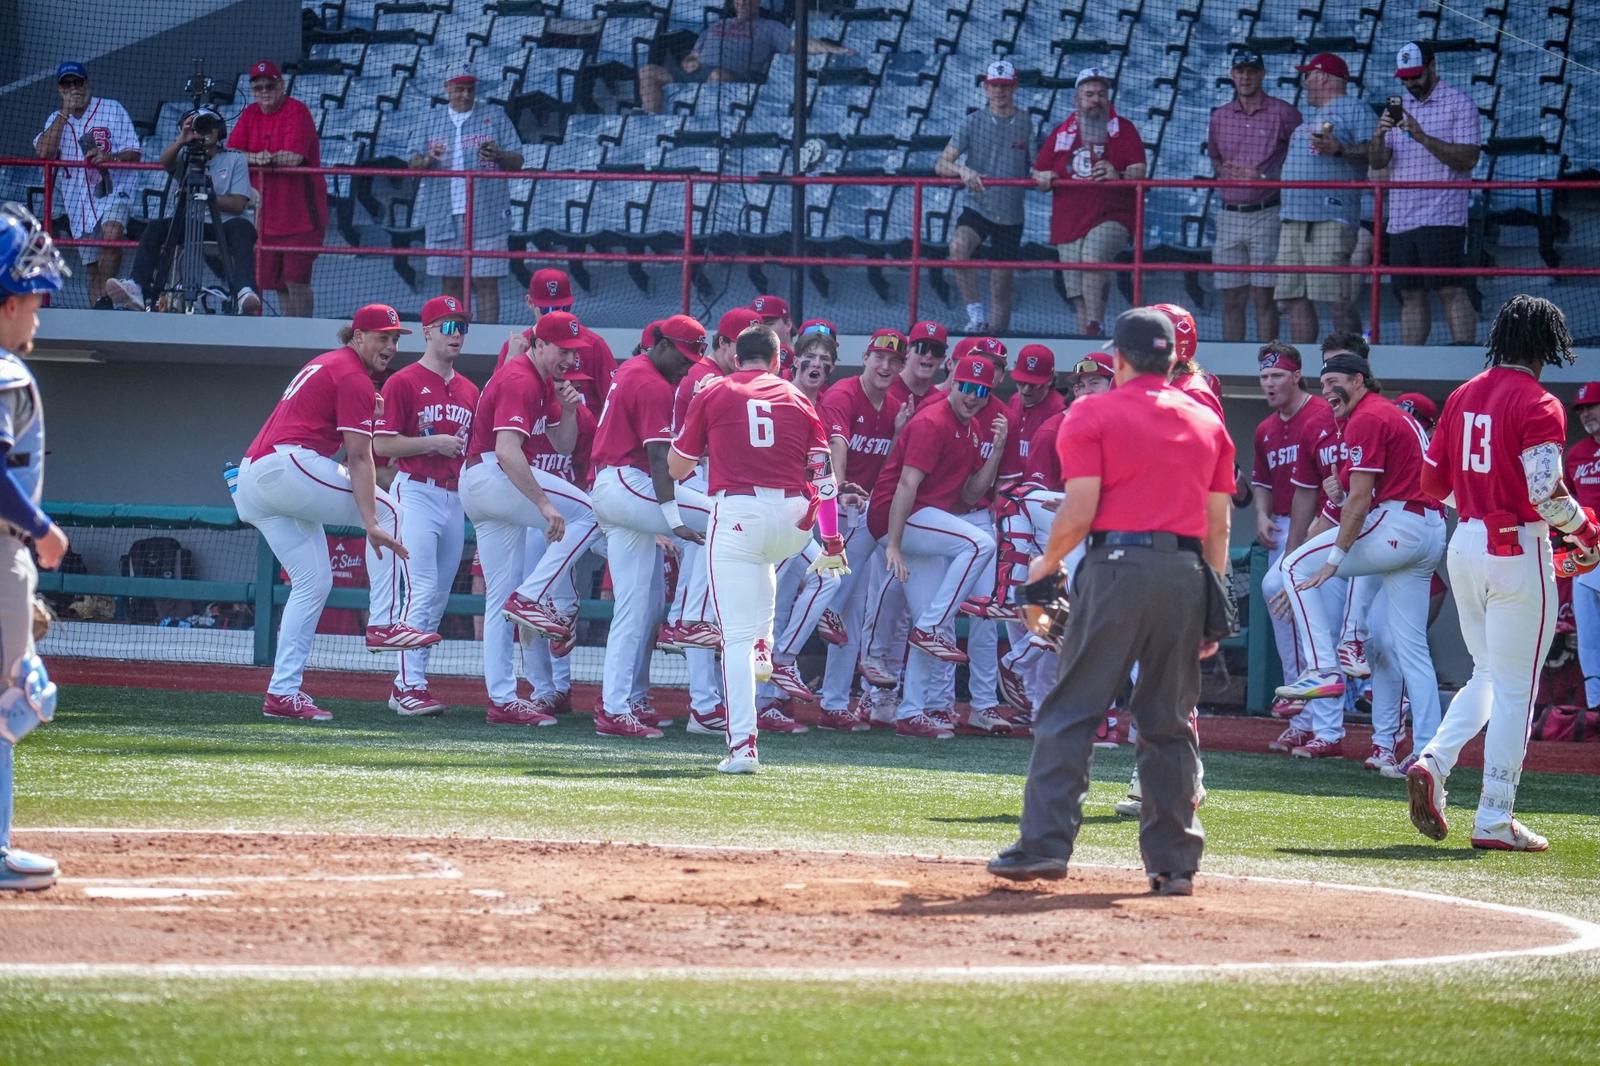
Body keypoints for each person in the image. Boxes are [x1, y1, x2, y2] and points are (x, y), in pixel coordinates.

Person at [989, 307, 1234, 895]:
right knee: (1168, 723)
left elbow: (1079, 509)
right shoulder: (1207, 422)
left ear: (1118, 359)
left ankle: (1044, 847)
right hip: (1183, 572)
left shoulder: (1091, 411)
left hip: (1116, 568)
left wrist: (1045, 566)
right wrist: (1213, 602)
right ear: (1174, 358)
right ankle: (1174, 865)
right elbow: (1218, 525)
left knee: (1071, 710)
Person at [1407, 296, 1587, 850]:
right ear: (1545, 344)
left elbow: (1432, 486)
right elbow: (1546, 494)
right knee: (1516, 690)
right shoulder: (1540, 402)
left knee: (1488, 673)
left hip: (1465, 542)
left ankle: (1434, 761)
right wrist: (1587, 530)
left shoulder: (1462, 393)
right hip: (1517, 548)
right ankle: (1493, 817)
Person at [233, 304, 438, 722]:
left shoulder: (331, 365)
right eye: (383, 337)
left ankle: (283, 692)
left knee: (313, 584)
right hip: (287, 467)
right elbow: (361, 459)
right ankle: (383, 622)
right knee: (390, 510)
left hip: (255, 479)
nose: (391, 346)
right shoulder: (352, 375)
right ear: (357, 337)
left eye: (396, 338)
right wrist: (371, 523)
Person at [668, 323, 848, 771]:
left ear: (735, 357)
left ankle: (743, 747)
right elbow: (824, 480)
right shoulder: (799, 398)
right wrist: (831, 540)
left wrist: (697, 410)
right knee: (767, 562)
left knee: (733, 639)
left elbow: (675, 467)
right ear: (778, 361)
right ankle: (766, 644)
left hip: (739, 512)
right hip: (792, 522)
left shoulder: (715, 391)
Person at [1275, 351, 1445, 765]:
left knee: (1293, 565)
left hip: (1398, 523)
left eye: (1337, 379)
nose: (1328, 388)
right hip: (1429, 528)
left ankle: (1324, 669)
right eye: (1324, 381)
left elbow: (1359, 501)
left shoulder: (1369, 416)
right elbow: (1353, 497)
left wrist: (1335, 556)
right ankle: (1424, 753)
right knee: (1400, 647)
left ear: (1361, 380)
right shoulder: (1379, 416)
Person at [460, 311, 600, 725]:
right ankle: (532, 596)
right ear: (539, 345)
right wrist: (542, 503)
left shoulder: (542, 381)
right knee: (590, 513)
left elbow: (562, 441)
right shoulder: (521, 378)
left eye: (575, 353)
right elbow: (507, 450)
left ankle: (502, 699)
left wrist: (569, 409)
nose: (571, 360)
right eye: (563, 350)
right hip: (492, 473)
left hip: (481, 482)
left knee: (498, 599)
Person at [589, 315, 714, 738]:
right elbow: (660, 463)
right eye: (681, 356)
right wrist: (674, 520)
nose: (686, 366)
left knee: (634, 608)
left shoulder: (634, 369)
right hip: (627, 482)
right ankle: (690, 617)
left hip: (618, 488)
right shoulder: (650, 383)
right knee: (727, 514)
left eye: (693, 358)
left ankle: (615, 707)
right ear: (660, 344)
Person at [870, 354, 1006, 738]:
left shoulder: (973, 428)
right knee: (980, 543)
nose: (974, 396)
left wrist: (995, 452)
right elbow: (906, 486)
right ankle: (926, 629)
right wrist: (893, 545)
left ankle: (911, 711)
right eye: (967, 387)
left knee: (938, 621)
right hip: (895, 517)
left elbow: (969, 494)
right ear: (954, 383)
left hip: (922, 520)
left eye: (983, 390)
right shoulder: (932, 420)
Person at [0, 205, 71, 891]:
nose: (38, 319)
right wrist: (42, 530)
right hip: (2, 547)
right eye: (33, 304)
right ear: (9, 301)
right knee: (18, 699)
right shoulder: (6, 374)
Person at [373, 295, 478, 717]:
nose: (457, 335)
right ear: (428, 330)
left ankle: (411, 683)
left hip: (454, 497)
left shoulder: (470, 389)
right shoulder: (403, 381)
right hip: (414, 489)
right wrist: (433, 442)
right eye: (448, 327)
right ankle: (408, 685)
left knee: (436, 596)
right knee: (420, 589)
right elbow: (381, 444)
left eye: (462, 328)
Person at [818, 328, 910, 724]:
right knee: (813, 604)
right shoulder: (843, 394)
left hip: (865, 517)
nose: (885, 366)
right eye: (879, 358)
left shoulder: (894, 408)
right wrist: (839, 490)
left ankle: (835, 703)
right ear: (866, 357)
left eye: (893, 361)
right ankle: (770, 692)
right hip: (830, 513)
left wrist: (902, 431)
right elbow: (835, 446)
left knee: (849, 612)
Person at [1368, 42, 1483, 345]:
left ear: (1433, 67)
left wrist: (1421, 136)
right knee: (1409, 292)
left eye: (1416, 76)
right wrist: (1378, 135)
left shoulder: (1460, 103)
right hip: (1402, 218)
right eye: (1405, 78)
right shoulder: (1397, 106)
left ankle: (1465, 356)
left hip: (1443, 215)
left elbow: (1469, 158)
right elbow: (1378, 161)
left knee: (1449, 288)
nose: (1410, 84)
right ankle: (1410, 361)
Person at [106, 108, 259, 314]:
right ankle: (138, 286)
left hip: (225, 224)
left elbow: (239, 204)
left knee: (244, 228)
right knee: (156, 227)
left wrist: (206, 199)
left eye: (208, 125)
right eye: (199, 126)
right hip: (191, 222)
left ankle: (244, 291)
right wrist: (181, 140)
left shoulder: (235, 158)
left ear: (219, 129)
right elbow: (165, 162)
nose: (204, 130)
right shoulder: (186, 157)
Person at [1250, 342, 1335, 714]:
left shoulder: (1319, 414)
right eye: (1264, 376)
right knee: (1289, 614)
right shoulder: (1265, 428)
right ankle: (1299, 708)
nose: (1269, 383)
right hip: (1284, 527)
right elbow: (1262, 482)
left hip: (1321, 527)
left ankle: (1316, 712)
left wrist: (1295, 548)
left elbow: (1315, 490)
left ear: (1297, 375)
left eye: (1277, 375)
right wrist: (1260, 514)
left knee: (1314, 620)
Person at [1033, 69, 1146, 338]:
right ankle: (1087, 338)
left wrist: (1117, 175)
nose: (1096, 100)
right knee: (1076, 287)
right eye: (1089, 94)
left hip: (1113, 215)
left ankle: (1096, 324)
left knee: (1093, 256)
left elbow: (1140, 170)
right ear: (1077, 99)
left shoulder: (1124, 129)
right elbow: (1037, 172)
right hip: (1069, 221)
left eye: (1101, 94)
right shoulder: (1062, 132)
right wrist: (1043, 177)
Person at [409, 64, 523, 326]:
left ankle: (488, 345)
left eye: (470, 89)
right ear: (446, 88)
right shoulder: (429, 119)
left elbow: (517, 159)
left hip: (487, 213)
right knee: (450, 284)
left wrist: (498, 155)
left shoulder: (495, 115)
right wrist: (428, 159)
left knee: (486, 282)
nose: (465, 95)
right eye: (459, 89)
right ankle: (451, 341)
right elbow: (412, 164)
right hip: (442, 215)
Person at [1276, 53, 1375, 343]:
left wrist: (1341, 149)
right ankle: (1300, 363)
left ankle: (1354, 357)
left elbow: (1378, 153)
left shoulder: (1354, 108)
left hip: (1331, 216)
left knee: (1336, 300)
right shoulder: (1312, 118)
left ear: (1322, 77)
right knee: (1294, 297)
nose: (1304, 82)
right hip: (1294, 217)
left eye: (1307, 75)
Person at [936, 60, 1034, 334]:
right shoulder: (972, 122)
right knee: (958, 248)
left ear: (1013, 87)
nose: (1000, 91)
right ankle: (975, 315)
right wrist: (962, 170)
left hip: (1011, 212)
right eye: (994, 86)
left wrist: (1043, 175)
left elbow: (1040, 165)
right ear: (985, 87)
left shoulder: (1026, 122)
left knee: (1000, 285)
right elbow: (941, 163)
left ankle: (999, 345)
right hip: (977, 205)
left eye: (1005, 86)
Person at [1208, 50, 1301, 343]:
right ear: (1232, 74)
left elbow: (1303, 160)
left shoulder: (1284, 113)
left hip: (1267, 213)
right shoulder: (1220, 116)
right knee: (1232, 299)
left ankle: (1267, 364)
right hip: (1228, 214)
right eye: (1240, 71)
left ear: (1262, 74)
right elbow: (1215, 158)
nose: (1245, 76)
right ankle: (1228, 368)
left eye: (1251, 70)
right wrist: (1229, 174)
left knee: (1264, 298)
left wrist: (1263, 179)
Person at [32, 61, 139, 309]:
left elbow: (134, 152)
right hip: (77, 200)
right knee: (91, 269)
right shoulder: (55, 119)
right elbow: (43, 153)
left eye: (77, 82)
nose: (74, 89)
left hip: (112, 190)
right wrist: (64, 113)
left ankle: (104, 303)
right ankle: (102, 314)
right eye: (67, 84)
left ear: (87, 83)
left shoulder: (111, 108)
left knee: (112, 239)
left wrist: (110, 158)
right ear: (60, 89)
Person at [228, 59, 328, 318]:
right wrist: (259, 158)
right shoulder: (250, 114)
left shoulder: (297, 111)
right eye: (258, 87)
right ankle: (286, 334)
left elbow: (293, 158)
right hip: (265, 215)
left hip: (301, 214)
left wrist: (262, 158)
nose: (264, 92)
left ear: (281, 85)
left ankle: (302, 336)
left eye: (269, 85)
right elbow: (232, 152)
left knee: (297, 280)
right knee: (276, 283)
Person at [636, 0, 850, 113]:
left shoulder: (770, 27)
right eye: (739, 1)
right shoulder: (717, 25)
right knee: (647, 72)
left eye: (747, 1)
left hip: (732, 75)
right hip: (697, 73)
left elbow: (800, 44)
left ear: (757, 3)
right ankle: (651, 119)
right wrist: (690, 63)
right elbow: (691, 56)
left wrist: (834, 49)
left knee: (718, 75)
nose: (742, 4)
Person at [510, 267, 616, 412]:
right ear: (530, 302)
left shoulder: (593, 345)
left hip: (585, 432)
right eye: (546, 309)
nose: (555, 315)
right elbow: (497, 404)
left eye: (563, 308)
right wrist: (510, 363)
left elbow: (615, 402)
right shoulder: (516, 347)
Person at [1565, 382, 1600, 711]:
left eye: (1592, 406)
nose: (1586, 413)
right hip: (1587, 551)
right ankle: (1595, 706)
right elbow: (1571, 502)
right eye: (1582, 409)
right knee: (1588, 632)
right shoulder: (1576, 454)